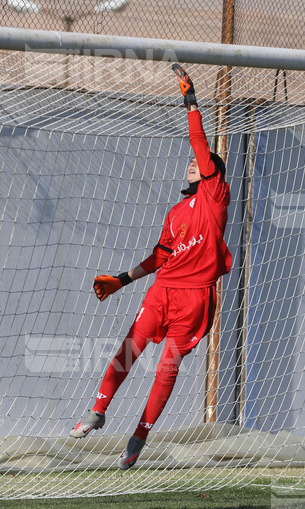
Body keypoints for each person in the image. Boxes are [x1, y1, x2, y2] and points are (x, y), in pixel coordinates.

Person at [68, 64, 232, 470]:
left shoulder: (216, 194)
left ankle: (140, 433)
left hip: (195, 299)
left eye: (202, 162)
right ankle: (98, 410)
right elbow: (161, 256)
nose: (194, 163)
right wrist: (123, 279)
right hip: (162, 290)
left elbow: (199, 141)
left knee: (167, 368)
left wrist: (190, 100)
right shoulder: (177, 211)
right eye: (195, 162)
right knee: (128, 349)